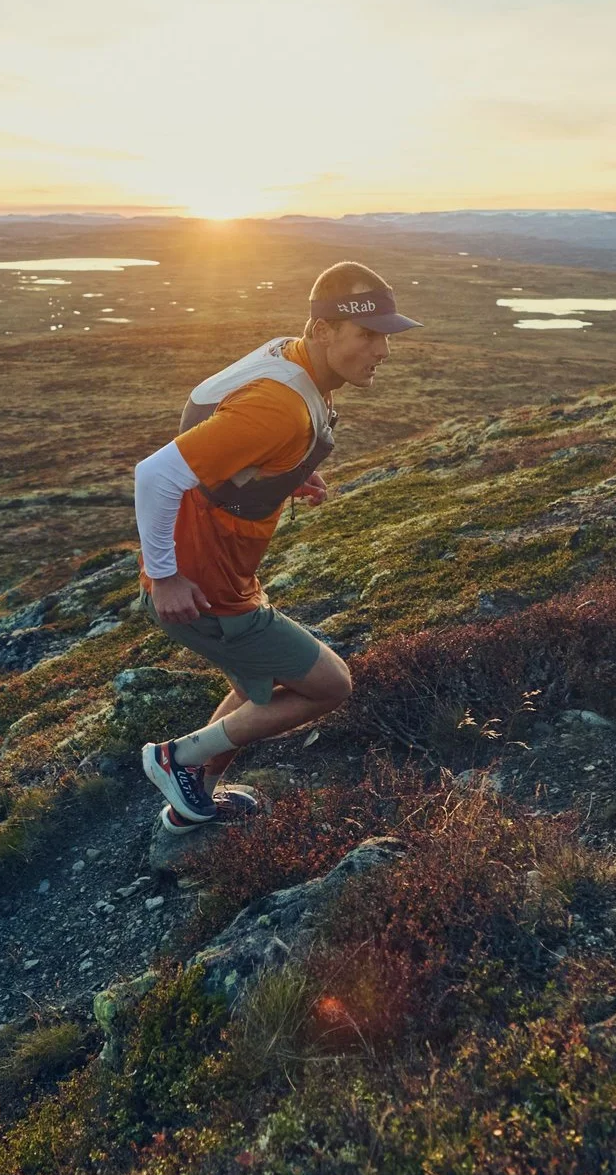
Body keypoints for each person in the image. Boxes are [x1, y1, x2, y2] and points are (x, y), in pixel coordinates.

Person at [134, 260, 418, 825]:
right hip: (202, 590)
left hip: (225, 580)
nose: (382, 351)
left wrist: (284, 475)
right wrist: (165, 576)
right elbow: (155, 475)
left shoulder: (292, 359)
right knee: (328, 685)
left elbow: (225, 438)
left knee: (256, 689)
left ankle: (192, 801)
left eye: (385, 336)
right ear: (322, 331)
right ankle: (175, 759)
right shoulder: (280, 406)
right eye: (367, 334)